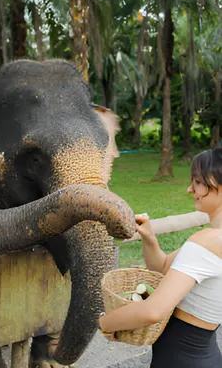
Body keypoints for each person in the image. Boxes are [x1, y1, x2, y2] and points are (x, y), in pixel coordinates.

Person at [99, 148, 222, 367]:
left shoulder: (207, 241)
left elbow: (153, 311)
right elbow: (163, 267)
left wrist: (105, 323)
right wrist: (149, 238)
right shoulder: (211, 242)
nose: (189, 189)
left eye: (198, 183)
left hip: (181, 360)